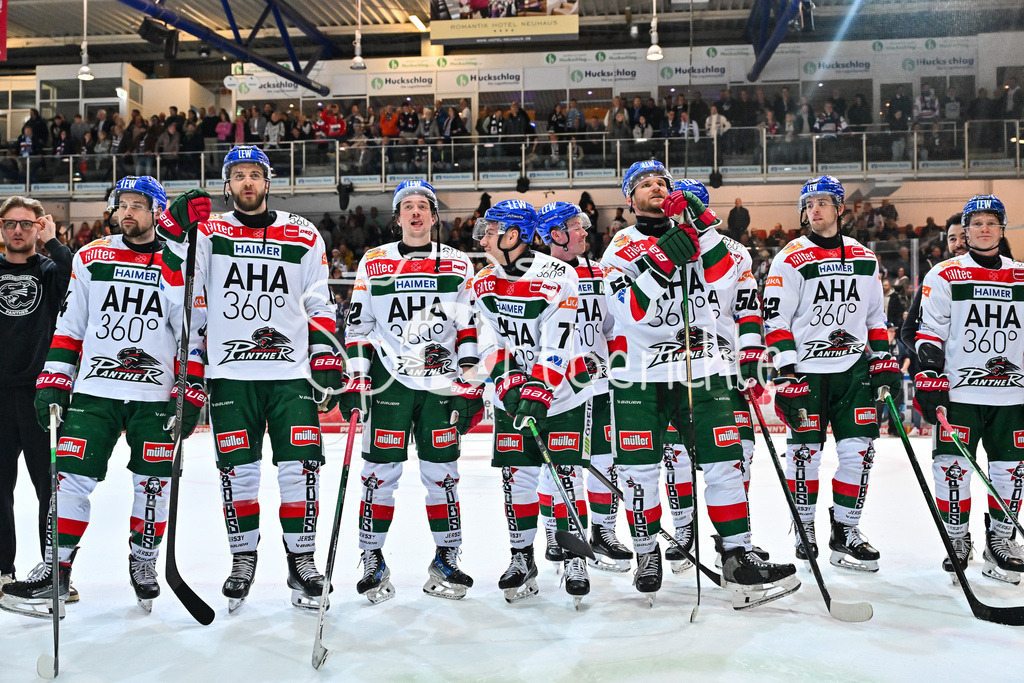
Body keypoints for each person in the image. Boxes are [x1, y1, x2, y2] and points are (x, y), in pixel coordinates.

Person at [0, 177, 203, 617]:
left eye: (137, 205)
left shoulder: (180, 261)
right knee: (68, 478)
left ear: (157, 212)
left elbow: (192, 335)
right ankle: (57, 570)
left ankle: (144, 560)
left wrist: (190, 393)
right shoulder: (93, 255)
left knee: (153, 485)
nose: (127, 212)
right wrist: (54, 379)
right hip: (95, 391)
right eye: (121, 204)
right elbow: (71, 324)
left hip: (154, 395)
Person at [155, 145, 344, 612]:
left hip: (291, 376)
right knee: (238, 473)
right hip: (230, 376)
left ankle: (302, 562)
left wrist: (324, 357)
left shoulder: (302, 232)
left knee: (300, 472)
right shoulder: (210, 230)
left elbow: (319, 301)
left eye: (254, 175)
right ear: (227, 183)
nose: (246, 183)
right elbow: (181, 291)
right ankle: (243, 560)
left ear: (267, 181)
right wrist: (174, 228)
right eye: (237, 175)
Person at [601, 160, 798, 607]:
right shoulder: (620, 246)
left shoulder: (705, 238)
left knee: (726, 463)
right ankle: (647, 553)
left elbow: (722, 279)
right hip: (639, 375)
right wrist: (665, 257)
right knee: (640, 472)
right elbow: (630, 309)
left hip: (703, 366)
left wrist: (701, 226)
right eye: (645, 184)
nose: (657, 188)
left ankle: (737, 555)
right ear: (629, 199)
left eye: (663, 183)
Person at [337, 181, 478, 604]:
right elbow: (359, 325)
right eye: (407, 207)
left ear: (434, 217)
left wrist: (470, 385)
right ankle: (372, 556)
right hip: (389, 383)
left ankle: (447, 556)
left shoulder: (457, 263)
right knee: (380, 476)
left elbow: (467, 327)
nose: (415, 213)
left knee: (444, 476)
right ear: (397, 218)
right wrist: (356, 379)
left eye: (423, 207)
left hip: (440, 383)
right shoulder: (374, 261)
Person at [763, 176, 900, 572]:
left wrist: (883, 359)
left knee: (859, 453)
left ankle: (846, 530)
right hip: (806, 371)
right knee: (804, 455)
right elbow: (777, 319)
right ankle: (804, 527)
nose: (815, 209)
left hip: (852, 371)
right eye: (809, 204)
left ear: (841, 208)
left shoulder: (864, 257)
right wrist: (787, 374)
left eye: (823, 202)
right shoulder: (790, 257)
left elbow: (875, 316)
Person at [471, 200, 595, 606]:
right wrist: (507, 383)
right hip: (513, 397)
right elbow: (489, 338)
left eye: (491, 231)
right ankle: (522, 556)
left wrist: (538, 391)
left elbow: (557, 343)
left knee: (565, 476)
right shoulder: (483, 280)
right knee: (517, 479)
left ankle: (575, 556)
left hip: (562, 396)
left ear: (512, 236)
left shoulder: (559, 276)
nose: (484, 238)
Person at [660, 179, 770, 572]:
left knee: (739, 454)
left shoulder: (735, 253)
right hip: (674, 364)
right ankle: (684, 530)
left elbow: (748, 311)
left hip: (724, 365)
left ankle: (736, 538)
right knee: (677, 456)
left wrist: (752, 357)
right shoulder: (660, 249)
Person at [915, 194, 1024, 583]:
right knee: (952, 469)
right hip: (960, 394)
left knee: (1010, 471)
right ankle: (958, 536)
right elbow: (930, 331)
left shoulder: (1021, 275)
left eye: (991, 222)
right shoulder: (945, 274)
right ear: (965, 229)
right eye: (976, 223)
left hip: (1012, 394)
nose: (983, 229)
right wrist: (929, 377)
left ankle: (1001, 538)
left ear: (1002, 229)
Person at [535, 202, 632, 574]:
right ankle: (558, 532)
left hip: (600, 383)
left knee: (606, 461)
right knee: (559, 466)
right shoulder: (535, 276)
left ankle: (603, 532)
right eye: (576, 227)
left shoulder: (601, 272)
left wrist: (616, 365)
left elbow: (614, 327)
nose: (585, 233)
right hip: (557, 387)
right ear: (555, 234)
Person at [0, 198, 71, 598]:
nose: (18, 231)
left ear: (37, 228)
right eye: (11, 224)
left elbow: (81, 279)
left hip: (41, 396)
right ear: (1, 227)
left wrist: (54, 243)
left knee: (50, 487)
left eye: (27, 224)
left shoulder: (49, 271)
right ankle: (1, 569)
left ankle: (55, 573)